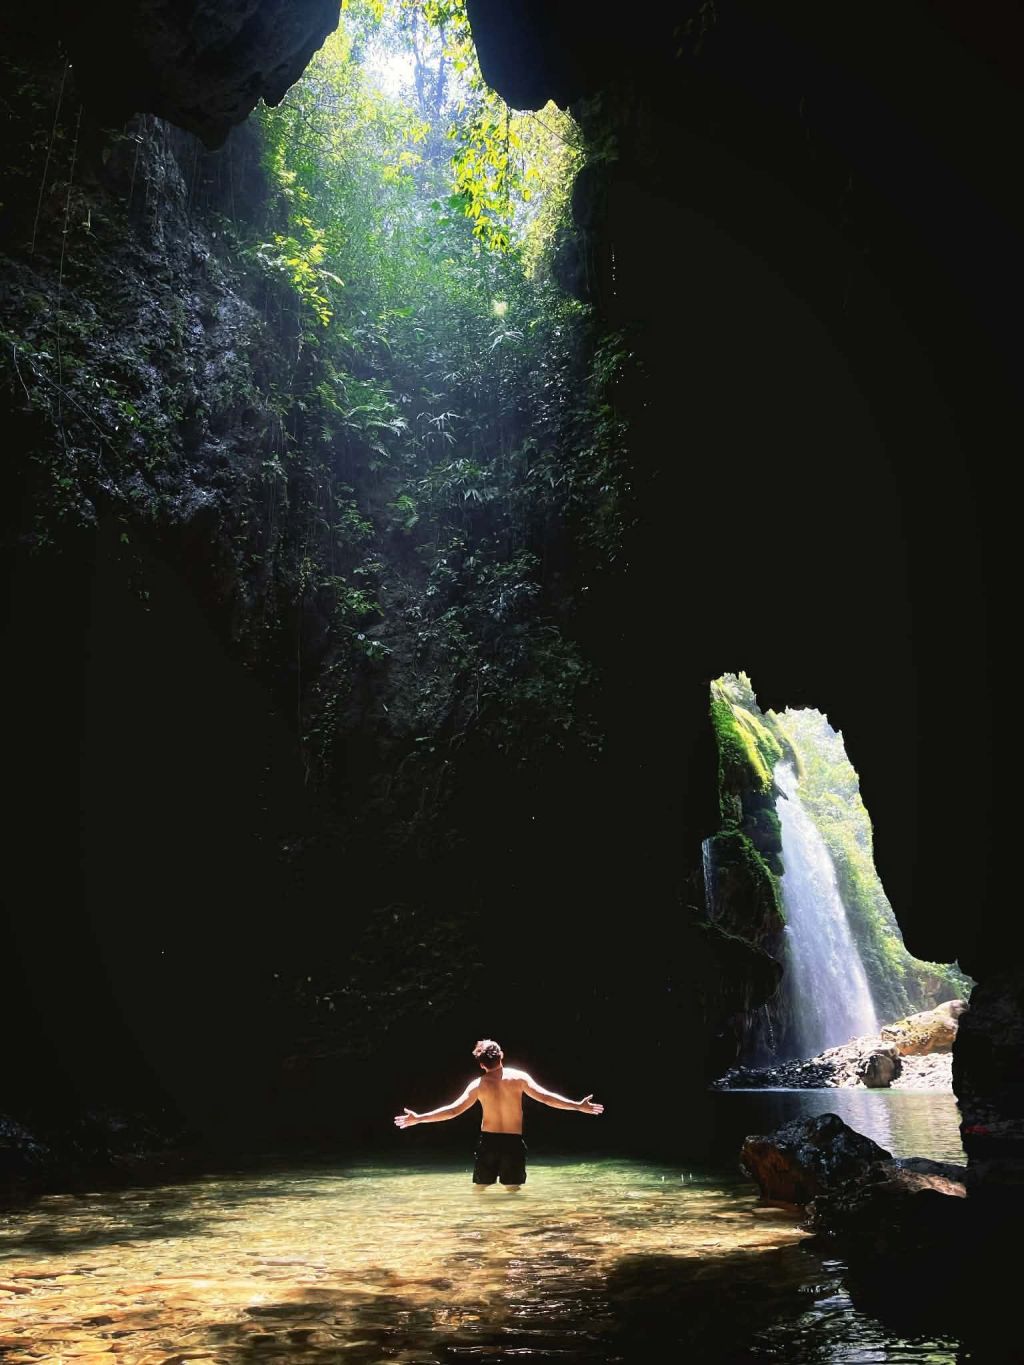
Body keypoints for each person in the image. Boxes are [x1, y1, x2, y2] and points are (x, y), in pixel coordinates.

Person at [393, 1038, 604, 1191]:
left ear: (481, 1064)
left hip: (488, 1143)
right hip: (513, 1142)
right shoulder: (519, 1078)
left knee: (480, 1190)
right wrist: (577, 1105)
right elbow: (547, 1098)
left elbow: (452, 1111)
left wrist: (419, 1118)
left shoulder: (478, 1085)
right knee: (513, 1192)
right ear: (502, 1056)